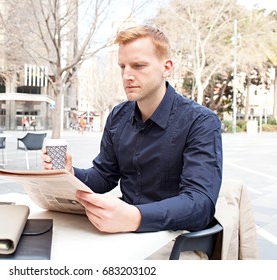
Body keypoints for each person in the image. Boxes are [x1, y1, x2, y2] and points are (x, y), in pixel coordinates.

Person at [42, 24, 222, 234]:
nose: (127, 75)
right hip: (122, 231)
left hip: (175, 235)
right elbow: (104, 175)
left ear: (166, 67)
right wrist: (70, 173)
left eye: (138, 66)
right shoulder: (118, 116)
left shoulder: (200, 121)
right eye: (122, 66)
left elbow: (200, 204)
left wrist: (135, 217)